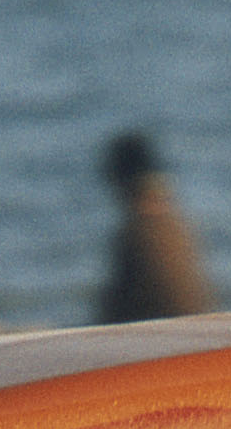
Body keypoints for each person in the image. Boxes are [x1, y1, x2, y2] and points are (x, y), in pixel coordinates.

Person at [90, 130, 218, 325]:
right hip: (194, 334)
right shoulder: (176, 226)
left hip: (167, 343)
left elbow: (114, 310)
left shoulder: (140, 232)